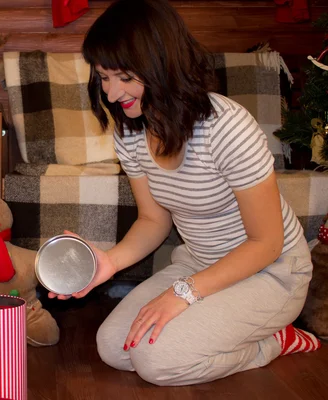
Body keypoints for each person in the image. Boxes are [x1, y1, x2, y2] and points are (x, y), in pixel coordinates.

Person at [49, 0, 322, 386]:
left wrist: (184, 293)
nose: (111, 94)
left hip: (271, 271)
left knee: (158, 361)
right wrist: (107, 263)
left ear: (160, 64)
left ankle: (275, 340)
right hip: (200, 263)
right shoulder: (130, 131)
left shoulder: (227, 127)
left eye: (123, 77)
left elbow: (266, 243)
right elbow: (152, 219)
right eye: (103, 77)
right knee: (114, 347)